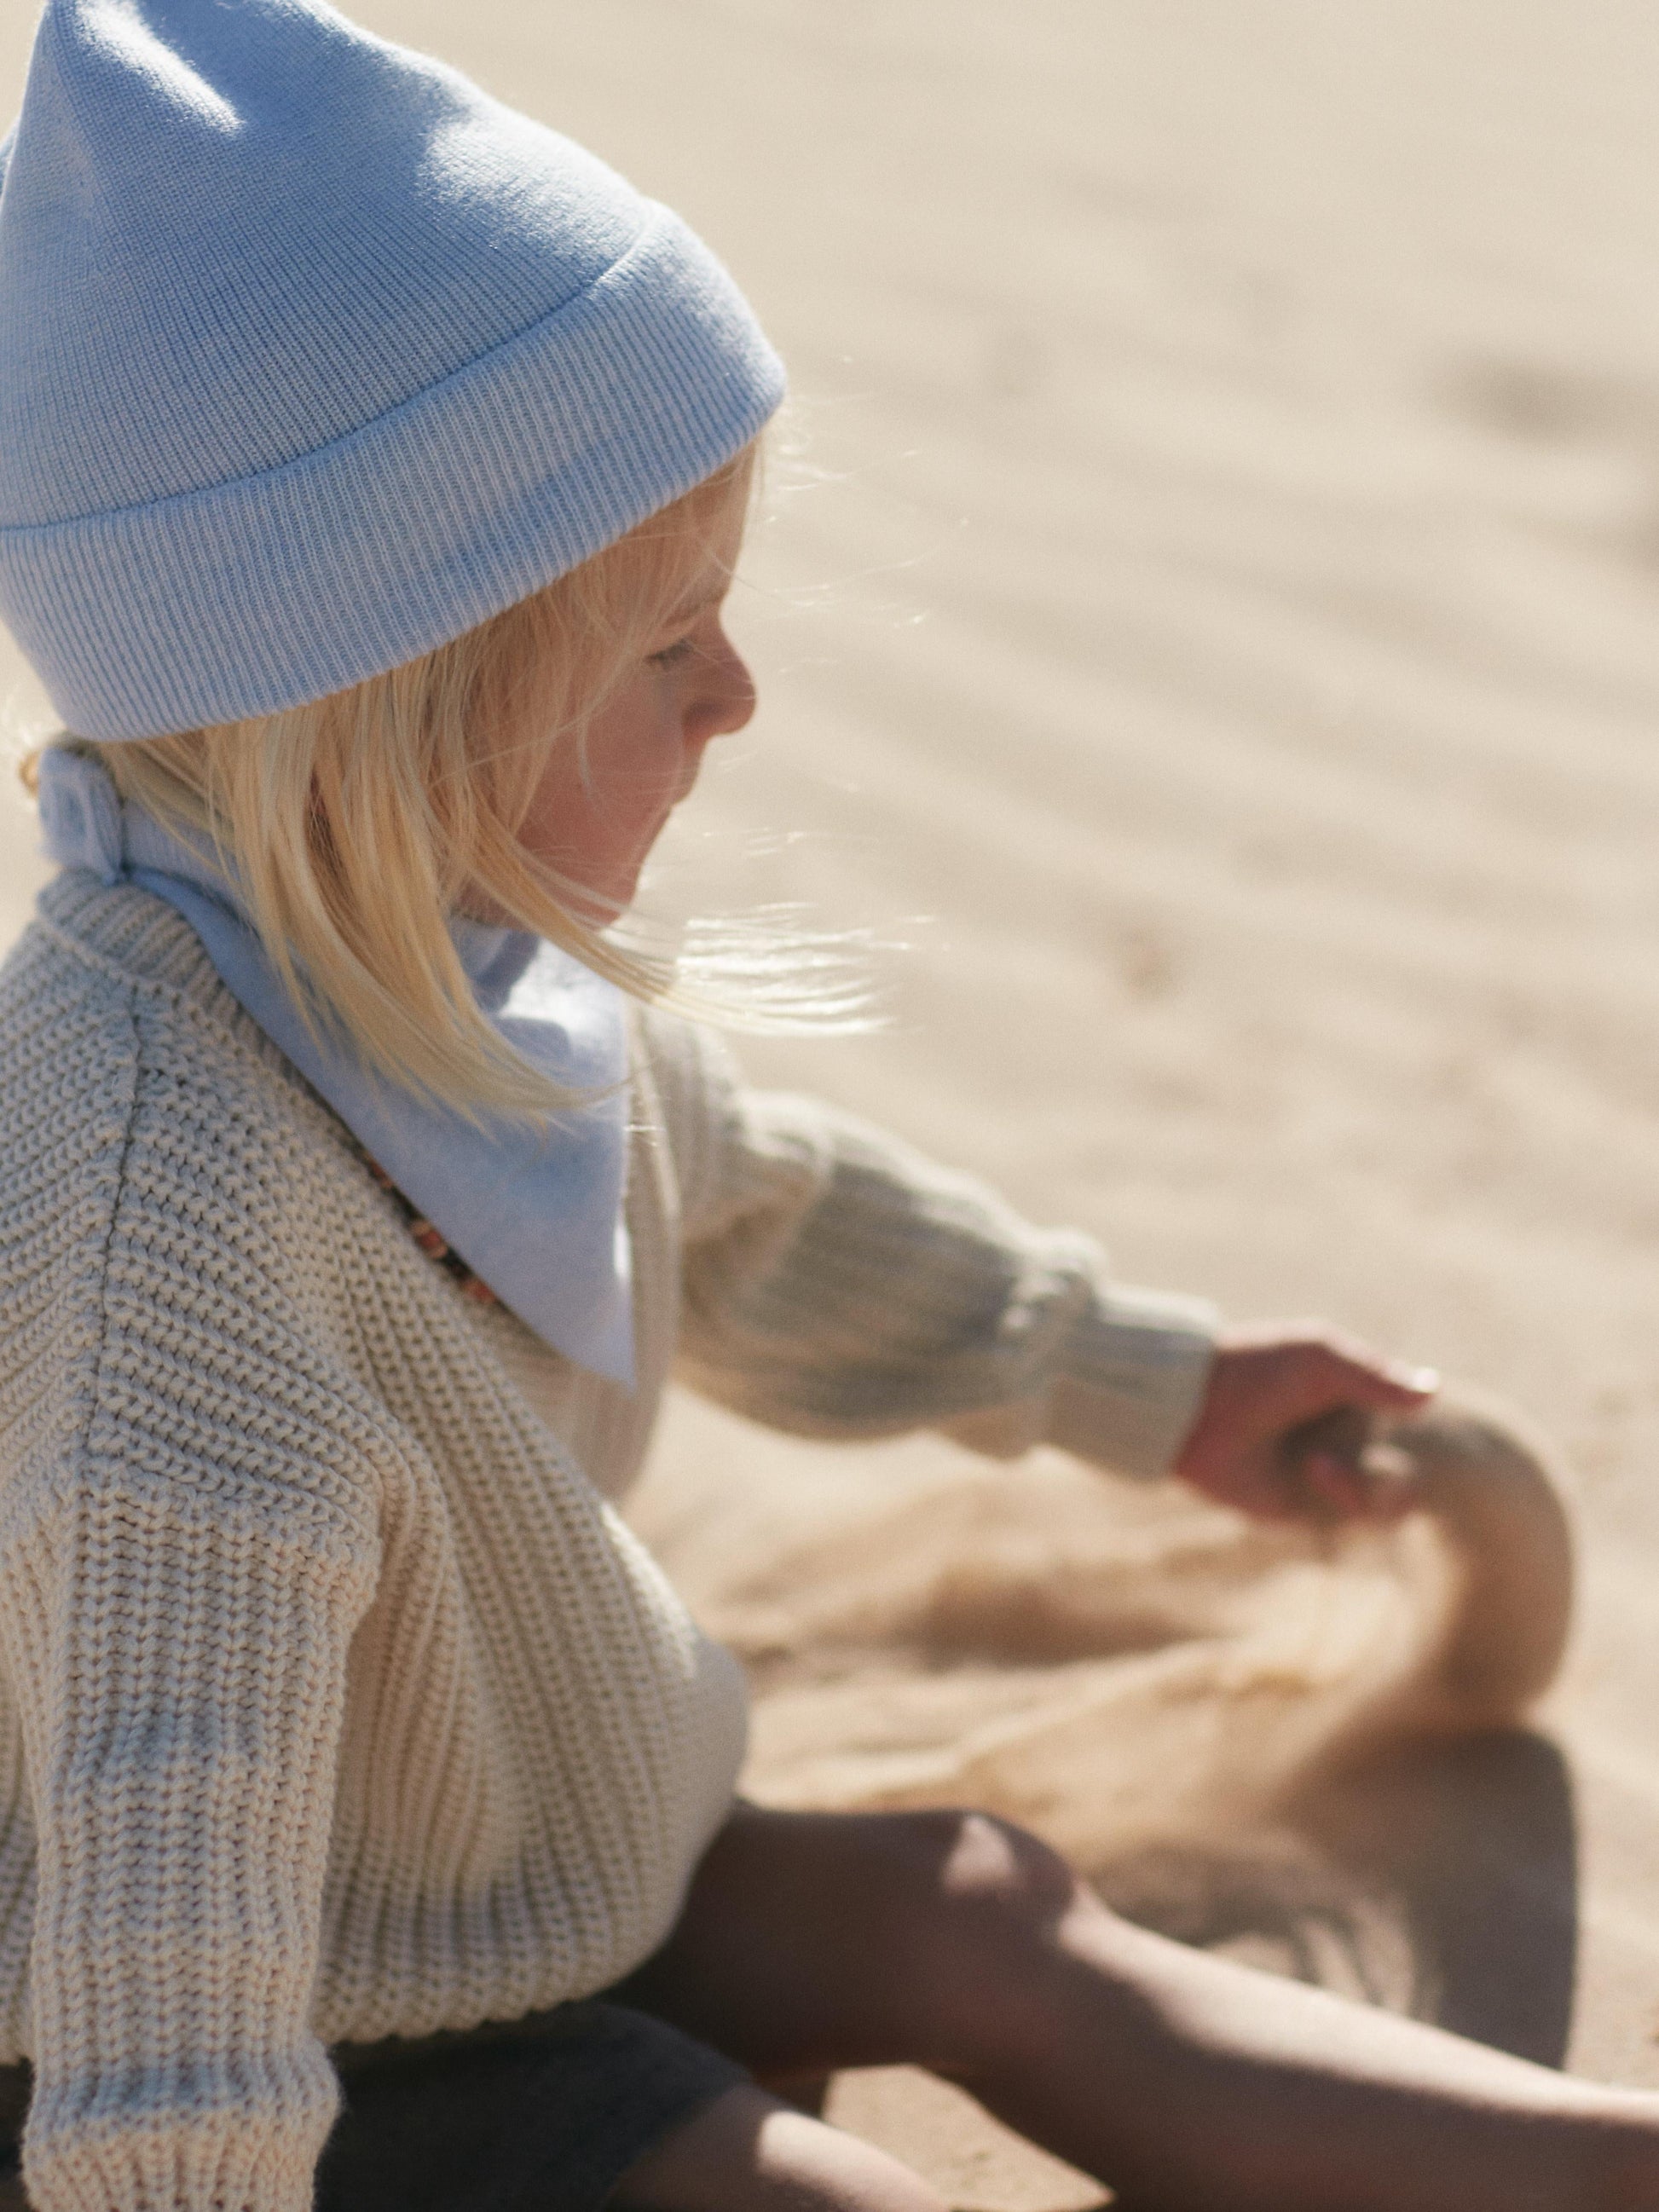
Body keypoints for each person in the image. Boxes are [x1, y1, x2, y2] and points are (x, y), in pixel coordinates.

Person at [0, 3, 1650, 2209]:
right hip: (266, 2040)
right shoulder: (156, 1226)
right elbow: (161, 1841)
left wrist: (1144, 1385)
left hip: (536, 1857)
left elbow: (758, 1211)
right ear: (397, 709)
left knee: (976, 1906)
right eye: (664, 648)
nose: (741, 697)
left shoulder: (440, 959)